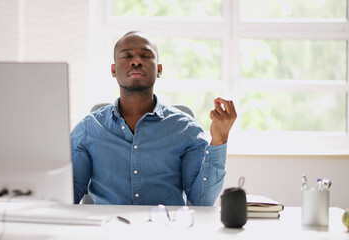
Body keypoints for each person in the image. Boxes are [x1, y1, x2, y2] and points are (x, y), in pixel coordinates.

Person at [71, 31, 237, 206]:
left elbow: (201, 202)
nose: (136, 61)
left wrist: (219, 140)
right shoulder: (88, 129)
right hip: (107, 231)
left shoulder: (186, 130)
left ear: (159, 70)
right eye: (126, 56)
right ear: (113, 70)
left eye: (146, 55)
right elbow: (66, 199)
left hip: (165, 230)